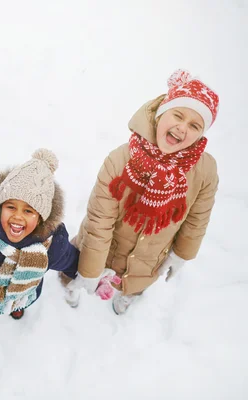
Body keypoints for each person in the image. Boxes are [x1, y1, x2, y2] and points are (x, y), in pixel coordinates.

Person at [65, 69, 219, 315]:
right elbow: (99, 221)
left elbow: (197, 218)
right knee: (78, 272)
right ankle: (72, 289)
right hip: (102, 248)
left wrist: (182, 254)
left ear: (201, 134)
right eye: (178, 115)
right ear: (160, 114)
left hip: (150, 257)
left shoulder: (204, 170)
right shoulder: (120, 159)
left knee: (137, 282)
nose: (182, 128)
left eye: (194, 125)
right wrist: (90, 271)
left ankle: (127, 296)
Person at [0, 149, 81, 326]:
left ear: (42, 217)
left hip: (25, 290)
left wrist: (86, 273)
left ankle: (16, 302)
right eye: (11, 207)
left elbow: (69, 259)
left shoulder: (51, 243)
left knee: (19, 297)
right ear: (0, 206)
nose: (18, 216)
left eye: (28, 211)